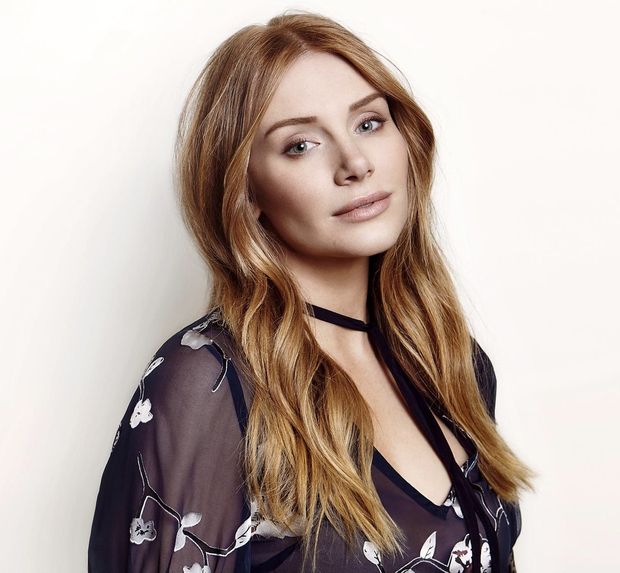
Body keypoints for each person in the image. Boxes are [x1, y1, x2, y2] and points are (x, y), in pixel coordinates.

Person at [88, 10, 536, 573]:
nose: (355, 164)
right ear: (246, 190)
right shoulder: (209, 383)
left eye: (369, 123)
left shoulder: (450, 360)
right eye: (301, 144)